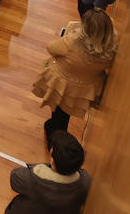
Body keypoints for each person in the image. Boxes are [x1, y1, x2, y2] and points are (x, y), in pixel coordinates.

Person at [33, 10, 118, 139]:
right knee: (66, 112)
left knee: (59, 114)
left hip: (63, 84)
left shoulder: (72, 42)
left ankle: (55, 136)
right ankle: (58, 132)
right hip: (84, 89)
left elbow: (51, 48)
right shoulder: (111, 51)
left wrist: (71, 33)